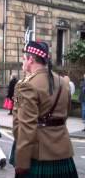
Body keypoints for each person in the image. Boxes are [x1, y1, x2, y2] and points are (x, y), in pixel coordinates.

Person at [13, 41, 78, 177]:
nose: (22, 62)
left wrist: (22, 162)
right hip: (63, 152)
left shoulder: (27, 85)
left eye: (24, 58)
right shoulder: (63, 82)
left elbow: (26, 127)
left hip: (40, 155)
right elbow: (65, 114)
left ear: (31, 60)